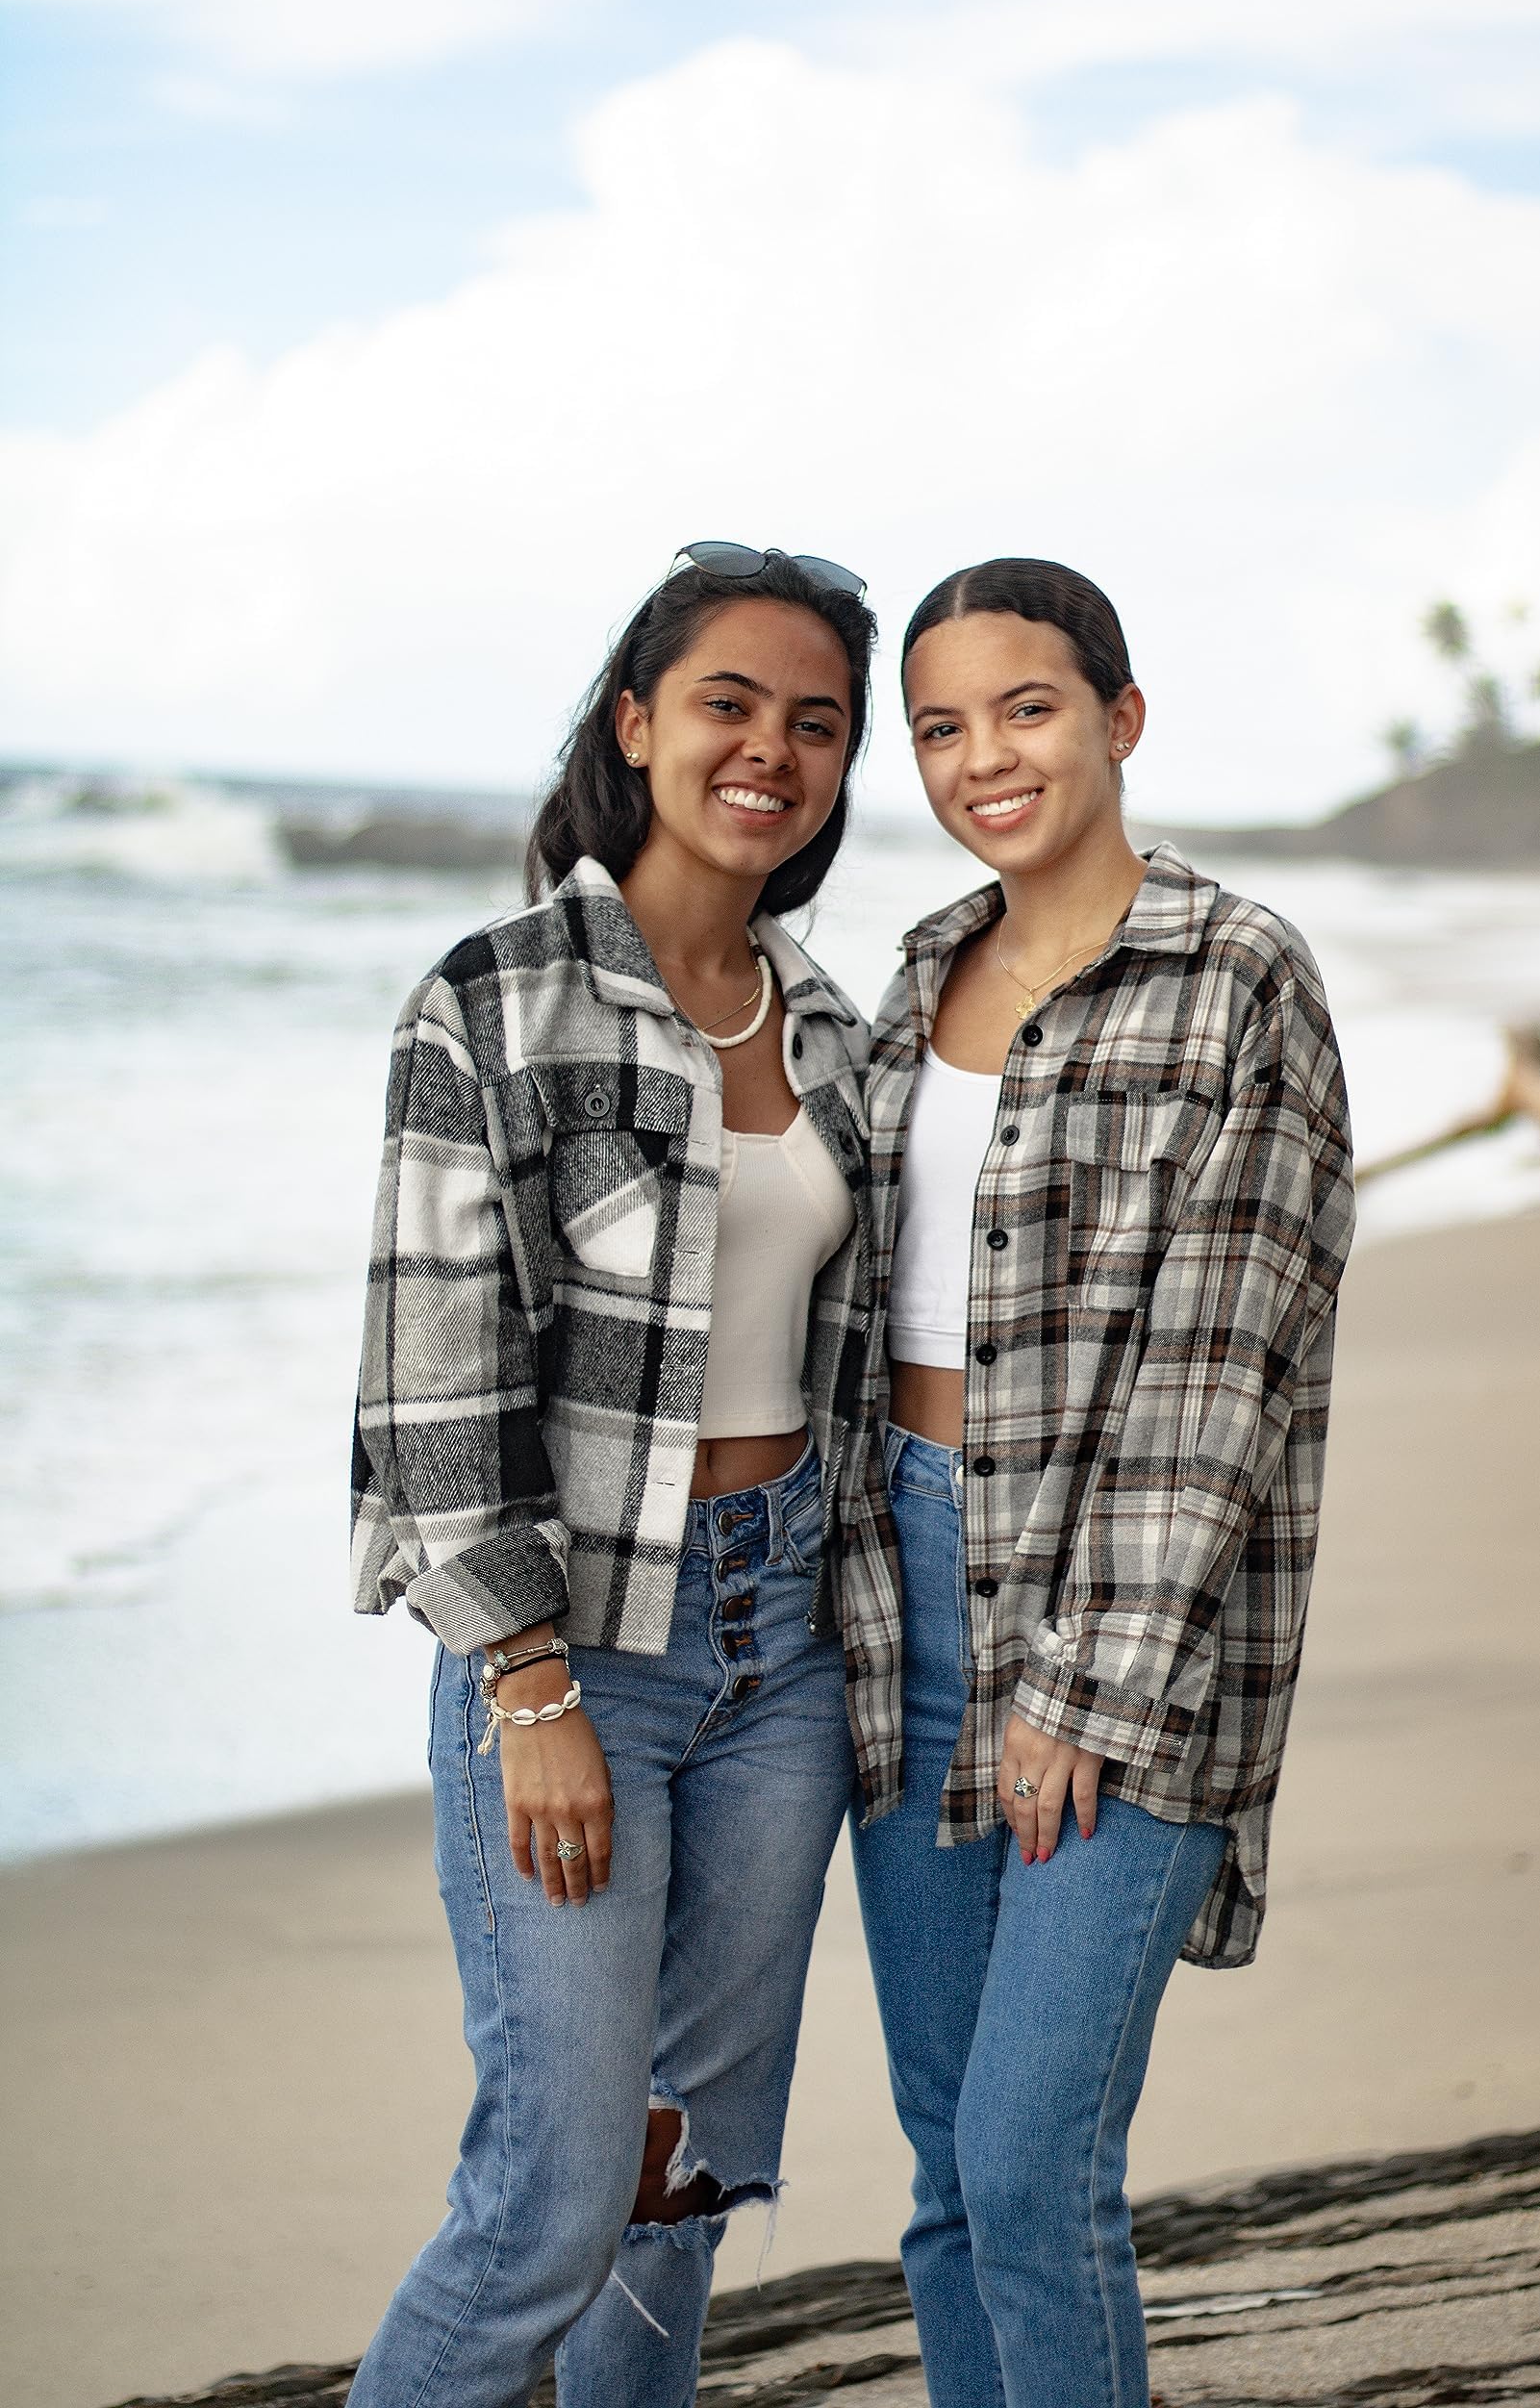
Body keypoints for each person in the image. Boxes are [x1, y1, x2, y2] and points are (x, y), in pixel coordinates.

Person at [346, 544, 898, 2408]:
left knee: (674, 2186)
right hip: (580, 1644)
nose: (772, 748)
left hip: (787, 1649)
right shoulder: (492, 1000)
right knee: (548, 2198)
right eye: (730, 702)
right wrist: (524, 1680)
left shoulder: (829, 1025)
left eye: (815, 722)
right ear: (637, 721)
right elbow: (432, 1377)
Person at [844, 557, 1355, 2408]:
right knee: (941, 2173)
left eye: (1027, 708)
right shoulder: (913, 978)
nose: (986, 757)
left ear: (1121, 719)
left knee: (1027, 2157)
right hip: (896, 1587)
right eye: (941, 727)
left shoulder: (1237, 977)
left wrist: (1091, 1684)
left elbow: (1221, 1372)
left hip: (1122, 1609)